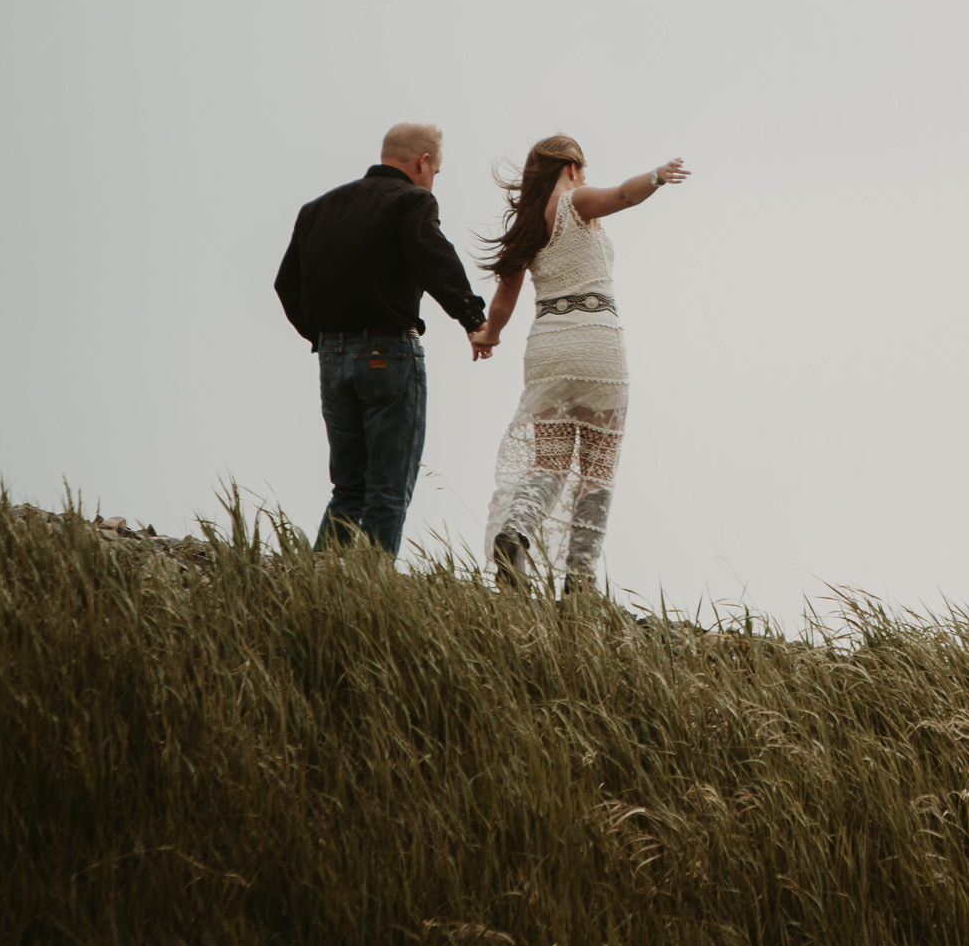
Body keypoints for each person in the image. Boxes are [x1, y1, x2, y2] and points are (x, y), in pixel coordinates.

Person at [472, 135, 689, 594]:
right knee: (597, 471)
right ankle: (580, 583)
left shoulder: (527, 225)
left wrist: (489, 335)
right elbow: (625, 195)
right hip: (597, 347)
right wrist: (657, 176)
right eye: (583, 168)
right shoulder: (576, 203)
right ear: (570, 166)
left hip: (548, 349)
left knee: (548, 464)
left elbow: (505, 297)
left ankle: (516, 531)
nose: (585, 177)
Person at [274, 123, 487, 555]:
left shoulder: (316, 209)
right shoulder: (412, 199)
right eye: (436, 171)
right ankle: (370, 590)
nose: (432, 180)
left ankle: (318, 586)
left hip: (332, 359)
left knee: (348, 488)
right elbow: (434, 259)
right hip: (389, 354)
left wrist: (323, 337)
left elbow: (286, 285)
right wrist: (472, 318)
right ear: (422, 162)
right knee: (388, 490)